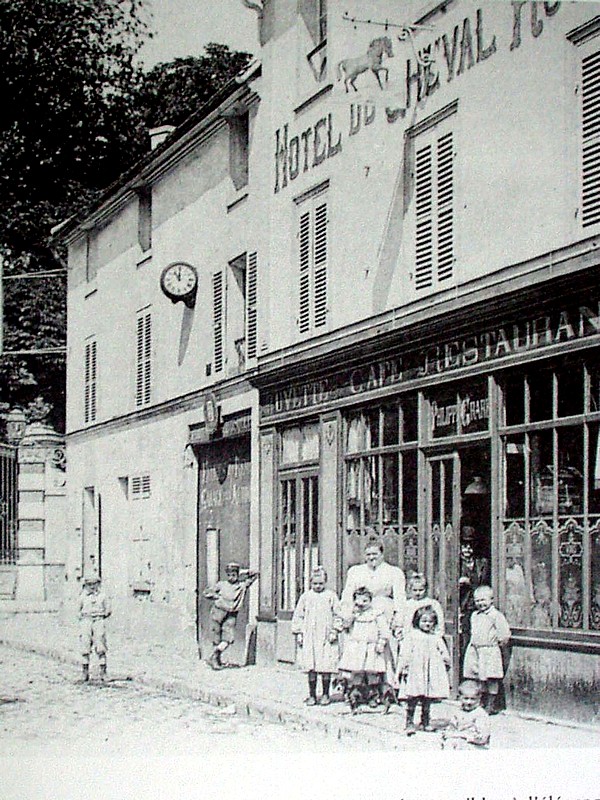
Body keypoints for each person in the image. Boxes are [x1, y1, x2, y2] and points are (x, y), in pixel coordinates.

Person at [341, 538, 405, 685]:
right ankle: (358, 687)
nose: (371, 557)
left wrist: (398, 620)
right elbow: (347, 594)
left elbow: (400, 598)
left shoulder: (393, 572)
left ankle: (387, 686)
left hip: (384, 614)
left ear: (382, 554)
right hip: (361, 616)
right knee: (360, 650)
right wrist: (347, 615)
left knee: (384, 649)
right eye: (368, 554)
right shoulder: (356, 571)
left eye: (375, 554)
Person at [291, 566, 342, 706]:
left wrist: (335, 630)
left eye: (321, 583)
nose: (318, 586)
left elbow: (338, 615)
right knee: (311, 666)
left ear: (325, 582)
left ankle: (325, 694)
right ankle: (312, 695)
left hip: (326, 635)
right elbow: (299, 615)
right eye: (315, 583)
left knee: (326, 666)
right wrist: (299, 633)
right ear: (310, 582)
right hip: (310, 636)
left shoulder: (331, 596)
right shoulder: (306, 597)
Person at [397, 605, 451, 735]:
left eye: (430, 622)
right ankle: (409, 722)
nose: (427, 624)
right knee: (413, 697)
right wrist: (404, 667)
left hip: (430, 671)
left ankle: (425, 721)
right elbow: (405, 653)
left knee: (427, 697)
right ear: (417, 621)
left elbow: (443, 651)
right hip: (416, 671)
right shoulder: (412, 636)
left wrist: (446, 661)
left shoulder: (435, 637)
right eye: (424, 621)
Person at [338, 586, 390, 711]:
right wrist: (352, 615)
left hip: (371, 647)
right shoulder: (354, 614)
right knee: (357, 672)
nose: (361, 604)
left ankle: (373, 696)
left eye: (365, 601)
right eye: (358, 601)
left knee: (372, 672)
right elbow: (345, 626)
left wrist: (381, 642)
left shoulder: (376, 614)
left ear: (370, 601)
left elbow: (384, 630)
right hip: (356, 647)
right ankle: (356, 696)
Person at [462, 585, 511, 714]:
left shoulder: (495, 615)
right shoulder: (475, 615)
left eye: (483, 600)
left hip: (489, 651)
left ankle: (491, 704)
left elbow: (504, 633)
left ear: (491, 600)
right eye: (477, 601)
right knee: (479, 678)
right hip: (476, 650)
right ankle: (480, 702)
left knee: (491, 678)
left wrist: (498, 644)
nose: (480, 603)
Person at [203, 562, 258, 670]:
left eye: (234, 574)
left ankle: (214, 655)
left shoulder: (241, 586)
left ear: (237, 574)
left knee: (228, 638)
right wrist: (216, 596)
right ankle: (216, 660)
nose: (231, 577)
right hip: (218, 612)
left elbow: (255, 574)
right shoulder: (221, 585)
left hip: (231, 615)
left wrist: (243, 572)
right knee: (216, 637)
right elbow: (206, 592)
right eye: (229, 575)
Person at [441, 679, 491, 750]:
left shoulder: (480, 714)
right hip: (458, 741)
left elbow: (482, 737)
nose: (469, 702)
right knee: (448, 743)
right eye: (466, 698)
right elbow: (452, 728)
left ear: (479, 699)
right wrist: (448, 734)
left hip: (475, 744)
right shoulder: (458, 712)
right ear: (460, 698)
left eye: (473, 699)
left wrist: (462, 735)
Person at [78, 575, 111, 682]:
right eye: (89, 584)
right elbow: (78, 609)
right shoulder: (83, 596)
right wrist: (84, 617)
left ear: (98, 584)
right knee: (85, 644)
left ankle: (103, 672)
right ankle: (85, 672)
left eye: (94, 584)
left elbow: (108, 609)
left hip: (98, 620)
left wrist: (102, 615)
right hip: (86, 620)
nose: (92, 587)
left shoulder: (102, 596)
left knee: (100, 644)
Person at [397, 573, 444, 640]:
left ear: (426, 589)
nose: (418, 593)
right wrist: (400, 634)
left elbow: (440, 622)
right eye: (415, 590)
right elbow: (400, 620)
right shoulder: (406, 605)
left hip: (429, 638)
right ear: (409, 590)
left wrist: (438, 635)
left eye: (421, 590)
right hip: (410, 637)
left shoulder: (433, 603)